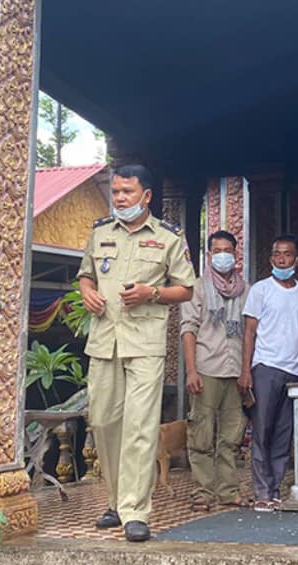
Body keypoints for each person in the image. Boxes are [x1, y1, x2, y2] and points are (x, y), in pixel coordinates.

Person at [78, 164, 196, 541]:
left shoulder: (168, 238)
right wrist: (86, 292)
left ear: (146, 196)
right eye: (115, 192)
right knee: (103, 421)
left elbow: (186, 289)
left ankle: (135, 511)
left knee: (141, 426)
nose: (119, 199)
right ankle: (114, 501)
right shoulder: (100, 233)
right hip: (104, 341)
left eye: (127, 192)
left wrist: (152, 293)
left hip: (144, 344)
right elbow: (86, 274)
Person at [238, 234, 298, 512]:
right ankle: (261, 492)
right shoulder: (261, 290)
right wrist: (246, 371)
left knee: (282, 434)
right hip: (265, 367)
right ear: (270, 259)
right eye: (277, 254)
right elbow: (250, 332)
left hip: (294, 371)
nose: (282, 259)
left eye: (287, 254)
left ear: (297, 260)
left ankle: (275, 490)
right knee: (262, 431)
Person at [180, 230, 249, 511]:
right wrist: (191, 371)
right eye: (217, 250)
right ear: (209, 255)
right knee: (201, 434)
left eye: (228, 250)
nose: (223, 255)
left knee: (232, 435)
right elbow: (188, 329)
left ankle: (227, 490)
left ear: (235, 255)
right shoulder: (196, 287)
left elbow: (250, 332)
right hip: (206, 368)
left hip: (235, 371)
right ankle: (202, 491)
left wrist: (246, 370)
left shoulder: (247, 290)